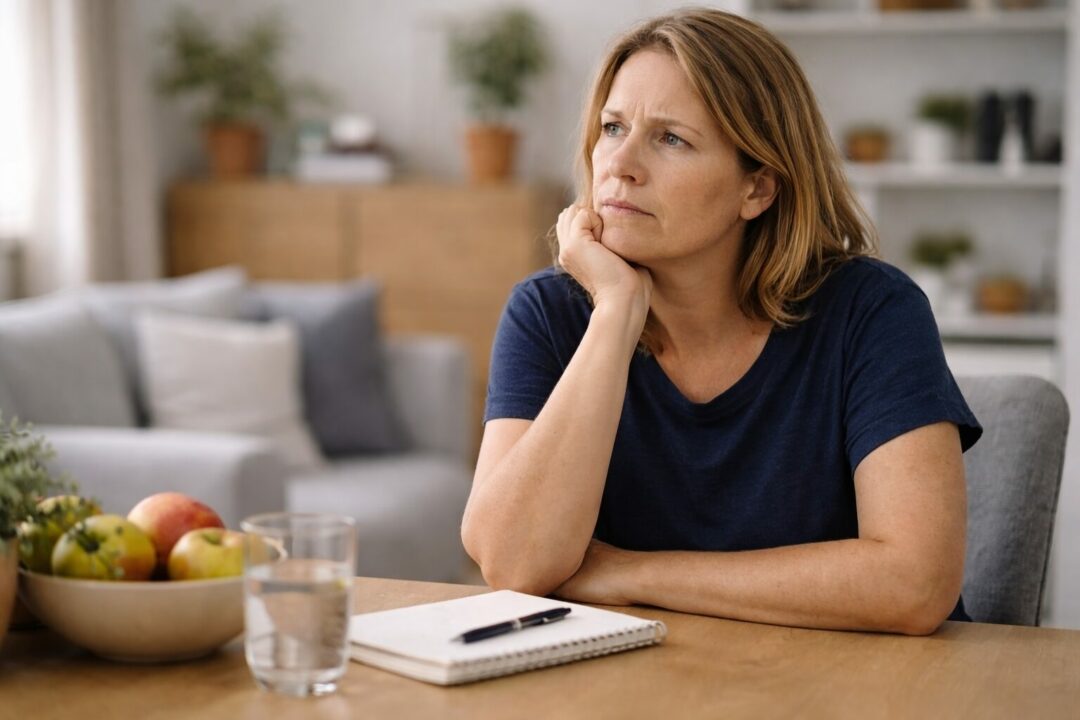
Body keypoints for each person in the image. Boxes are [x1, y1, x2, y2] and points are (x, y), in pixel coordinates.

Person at [460, 8, 981, 635]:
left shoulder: (873, 311)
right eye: (613, 127)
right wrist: (618, 313)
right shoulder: (550, 312)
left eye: (671, 138)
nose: (619, 164)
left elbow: (914, 584)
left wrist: (631, 574)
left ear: (757, 189)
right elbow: (512, 563)